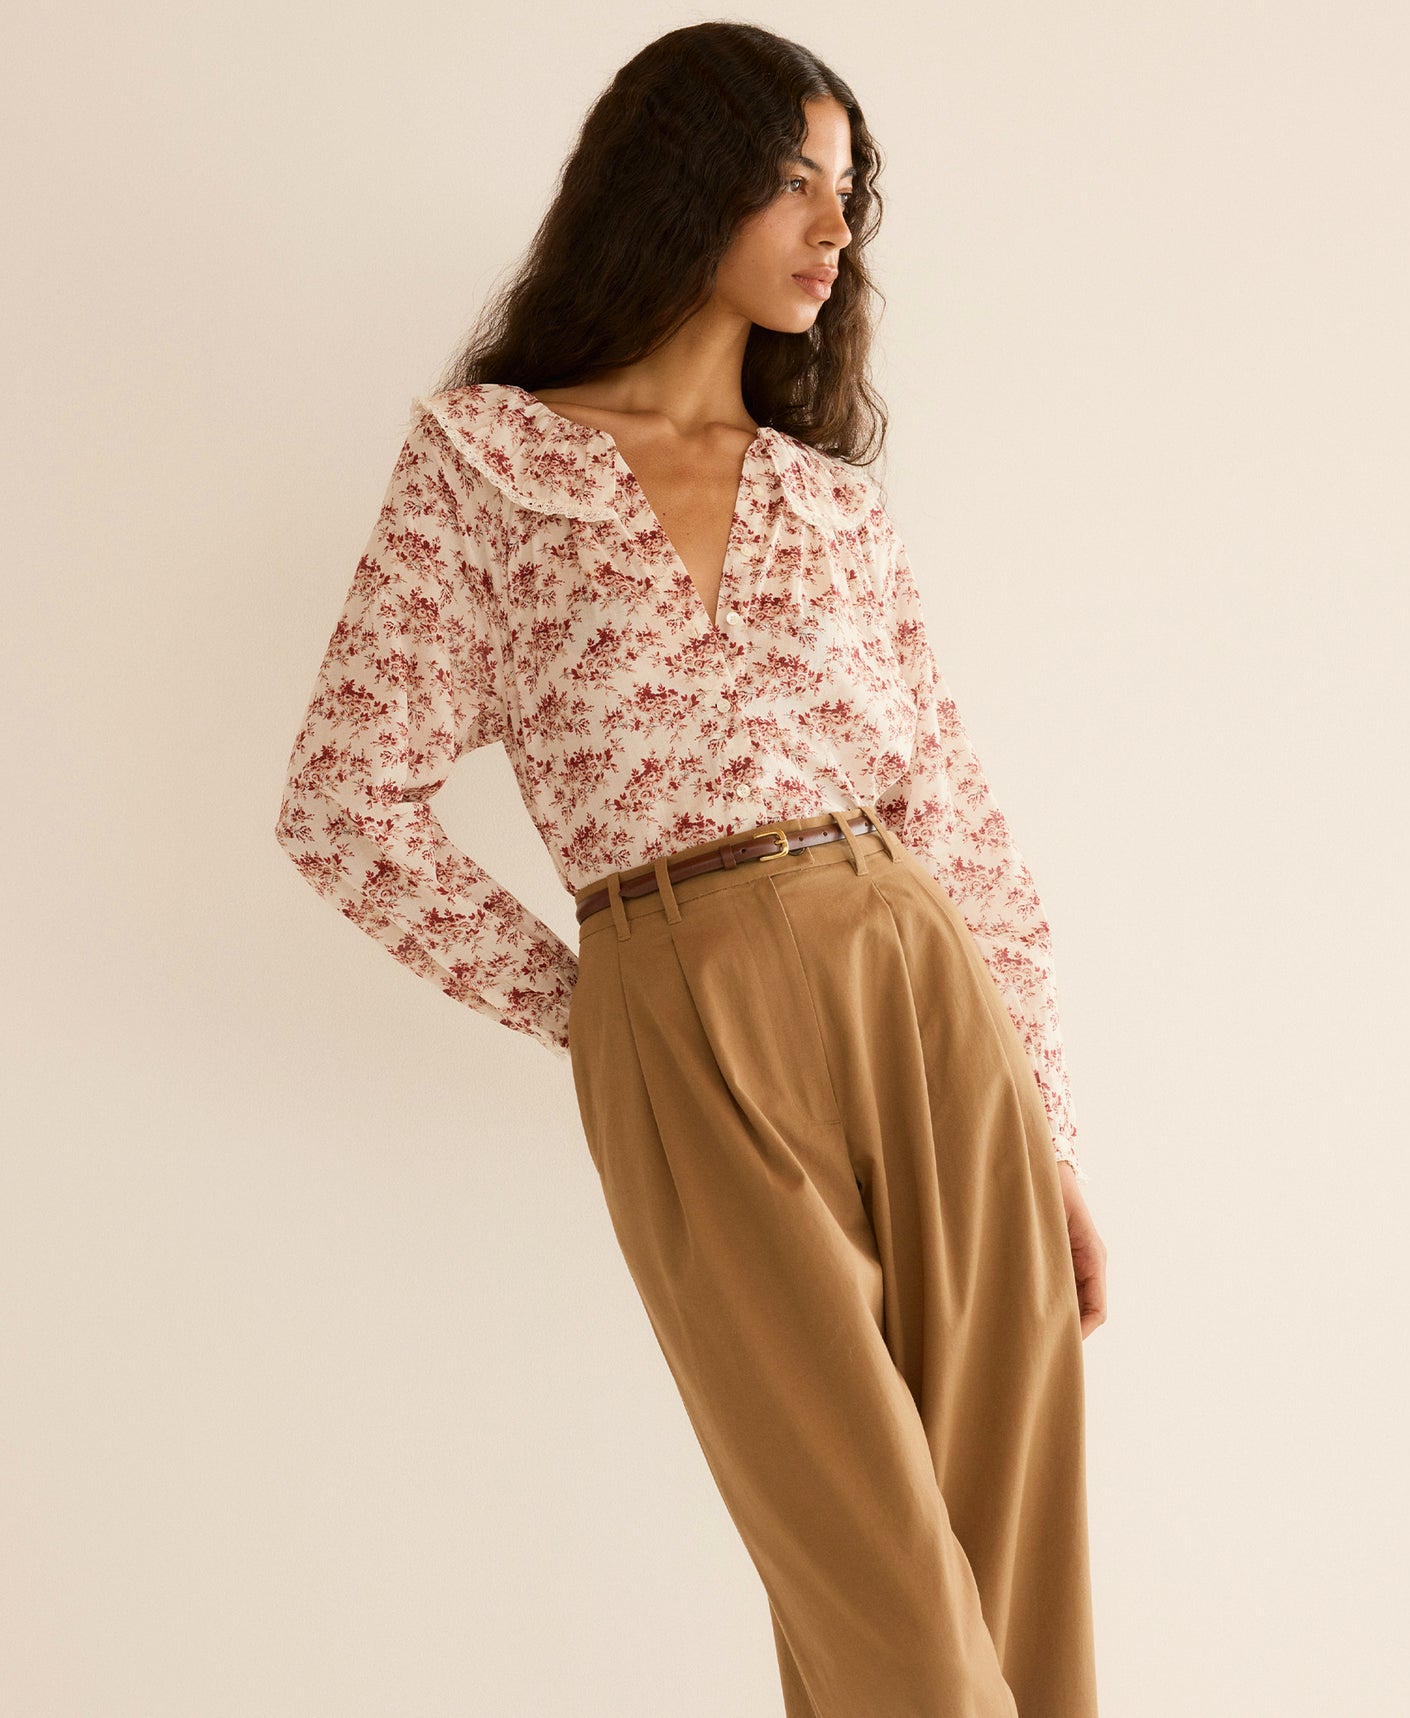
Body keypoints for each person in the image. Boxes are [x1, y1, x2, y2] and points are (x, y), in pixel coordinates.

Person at [274, 21, 1107, 1718]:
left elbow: (957, 815)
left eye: (850, 198)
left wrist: (1059, 1135)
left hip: (924, 984)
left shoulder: (833, 506)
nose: (834, 229)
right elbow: (344, 799)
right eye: (795, 183)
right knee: (882, 1589)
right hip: (684, 1006)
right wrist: (601, 1011)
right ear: (679, 184)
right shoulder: (484, 464)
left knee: (1010, 1559)